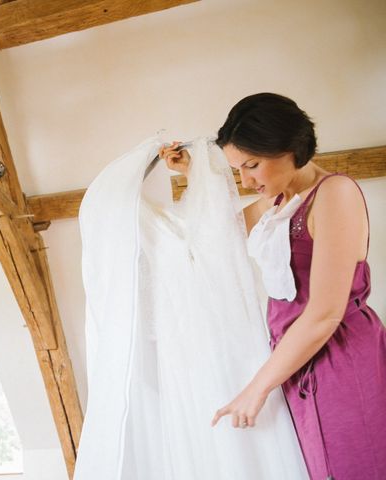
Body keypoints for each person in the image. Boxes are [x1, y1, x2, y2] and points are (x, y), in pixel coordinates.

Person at [159, 92, 386, 480]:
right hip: (294, 363)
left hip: (338, 358)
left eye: (252, 165)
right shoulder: (277, 205)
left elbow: (325, 313)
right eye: (237, 170)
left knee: (356, 464)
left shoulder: (334, 193)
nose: (246, 180)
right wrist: (192, 173)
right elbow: (218, 236)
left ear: (289, 148)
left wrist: (256, 388)